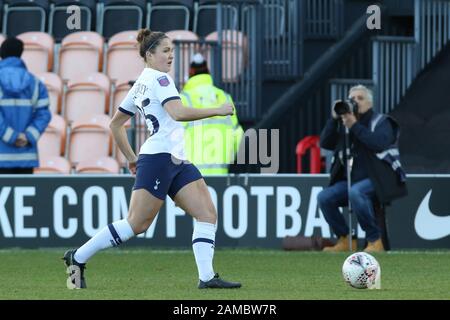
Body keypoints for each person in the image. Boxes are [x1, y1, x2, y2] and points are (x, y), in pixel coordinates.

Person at [62, 29, 242, 290]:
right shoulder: (161, 80)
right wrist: (217, 110)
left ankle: (206, 277)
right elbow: (177, 113)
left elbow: (116, 125)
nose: (171, 56)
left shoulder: (142, 82)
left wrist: (132, 158)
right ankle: (76, 258)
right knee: (136, 224)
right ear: (149, 54)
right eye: (166, 51)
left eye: (172, 51)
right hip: (158, 158)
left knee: (206, 213)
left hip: (175, 159)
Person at [317, 85, 407, 253]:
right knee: (324, 197)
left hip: (379, 179)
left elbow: (378, 143)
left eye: (360, 98)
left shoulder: (381, 122)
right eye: (352, 99)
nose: (355, 102)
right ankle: (345, 239)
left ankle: (375, 240)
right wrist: (334, 119)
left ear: (370, 103)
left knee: (356, 192)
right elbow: (325, 143)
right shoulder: (344, 124)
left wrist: (355, 126)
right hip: (351, 181)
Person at [180, 53, 243, 175]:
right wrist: (229, 157)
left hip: (190, 176)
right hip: (221, 171)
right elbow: (238, 134)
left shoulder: (183, 99)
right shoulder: (225, 97)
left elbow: (173, 138)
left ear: (190, 71)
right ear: (208, 71)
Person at [0, 37, 51, 173]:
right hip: (26, 157)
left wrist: (11, 136)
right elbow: (44, 114)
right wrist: (27, 136)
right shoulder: (35, 83)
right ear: (21, 53)